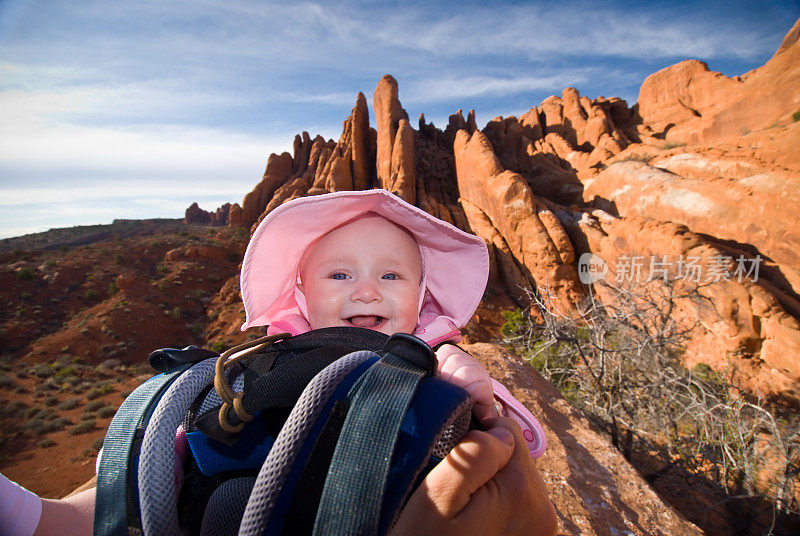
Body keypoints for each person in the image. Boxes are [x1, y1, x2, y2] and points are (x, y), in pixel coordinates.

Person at [3, 189, 557, 535]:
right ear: (303, 296)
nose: (367, 291)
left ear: (420, 298)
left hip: (376, 493)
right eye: (339, 275)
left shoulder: (432, 351)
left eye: (392, 275)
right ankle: (41, 519)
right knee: (143, 483)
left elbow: (526, 443)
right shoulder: (275, 354)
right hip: (246, 471)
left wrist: (479, 394)